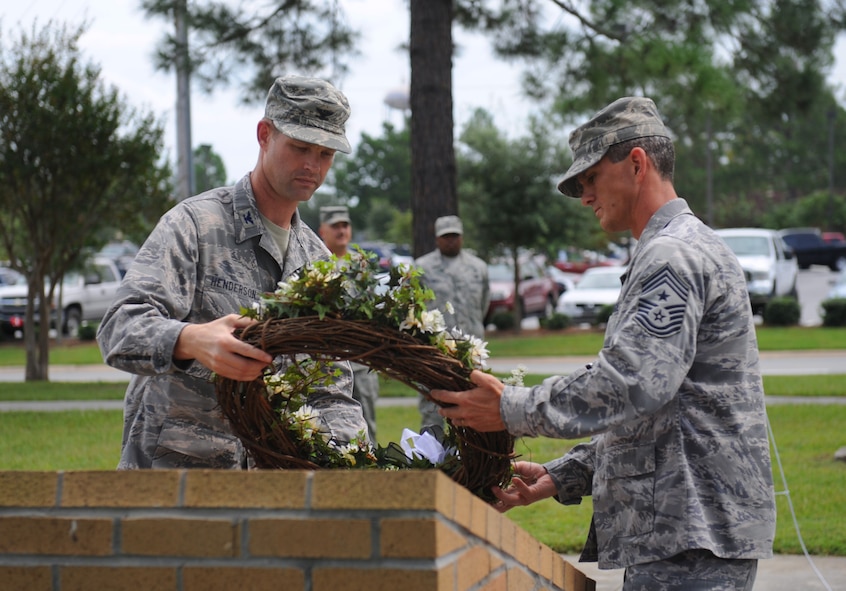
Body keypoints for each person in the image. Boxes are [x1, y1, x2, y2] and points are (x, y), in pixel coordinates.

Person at [429, 97, 775, 590]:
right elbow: (665, 411)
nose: (584, 195)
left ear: (636, 163)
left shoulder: (672, 257)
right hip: (689, 531)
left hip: (691, 536)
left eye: (590, 178)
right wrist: (565, 474)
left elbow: (631, 384)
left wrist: (511, 407)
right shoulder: (678, 247)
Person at [97, 75, 369, 470]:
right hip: (173, 480)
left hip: (268, 494)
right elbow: (118, 328)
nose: (313, 165)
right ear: (264, 135)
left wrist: (355, 465)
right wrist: (190, 340)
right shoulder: (195, 225)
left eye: (326, 154)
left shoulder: (319, 263)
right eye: (300, 147)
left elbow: (331, 391)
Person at [415, 215, 489, 429]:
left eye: (454, 236)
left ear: (462, 237)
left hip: (472, 351)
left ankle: (472, 459)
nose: (450, 241)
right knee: (434, 408)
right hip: (436, 351)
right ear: (437, 239)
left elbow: (483, 303)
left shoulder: (478, 267)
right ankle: (431, 458)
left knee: (474, 408)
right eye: (445, 236)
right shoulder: (422, 267)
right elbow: (415, 307)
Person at [318, 204, 380, 441]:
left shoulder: (361, 267)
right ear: (322, 230)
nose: (341, 230)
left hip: (361, 362)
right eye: (335, 226)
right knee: (329, 430)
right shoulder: (315, 263)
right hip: (327, 364)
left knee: (368, 426)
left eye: (345, 225)